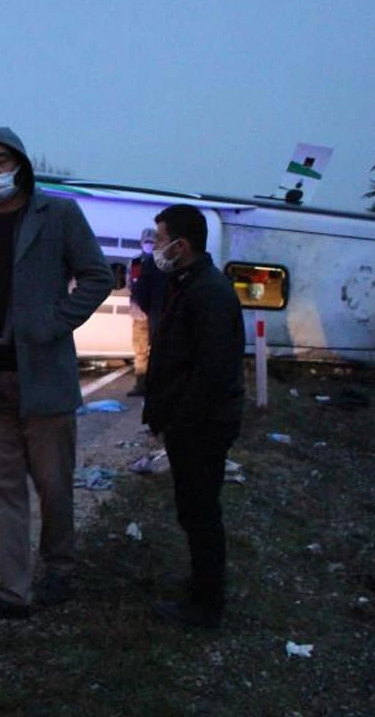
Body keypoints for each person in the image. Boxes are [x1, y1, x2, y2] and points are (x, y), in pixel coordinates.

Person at [0, 127, 112, 624]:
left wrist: (54, 322)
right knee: (4, 490)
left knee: (53, 484)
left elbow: (98, 275)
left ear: (21, 164)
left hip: (44, 377)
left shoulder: (59, 215)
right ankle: (11, 592)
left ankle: (58, 568)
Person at [141, 204, 245, 629]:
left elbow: (211, 372)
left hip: (202, 426)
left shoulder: (209, 292)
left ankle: (206, 605)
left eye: (160, 238)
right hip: (191, 423)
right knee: (194, 510)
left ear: (182, 245)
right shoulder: (187, 283)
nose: (155, 247)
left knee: (201, 512)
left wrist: (179, 420)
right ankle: (201, 587)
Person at [126, 228, 162, 396]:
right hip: (139, 313)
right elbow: (131, 284)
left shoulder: (162, 262)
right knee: (140, 350)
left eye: (152, 241)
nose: (149, 244)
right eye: (146, 241)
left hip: (157, 313)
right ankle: (141, 384)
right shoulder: (136, 262)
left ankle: (155, 384)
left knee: (158, 348)